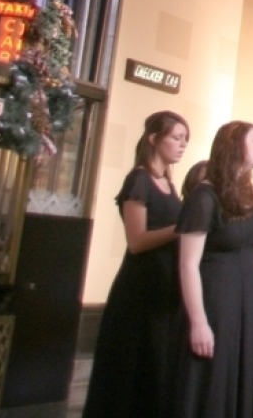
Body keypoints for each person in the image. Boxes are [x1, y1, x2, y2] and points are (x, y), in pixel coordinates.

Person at [175, 121, 253, 418]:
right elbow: (188, 264)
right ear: (234, 146)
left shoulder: (249, 200)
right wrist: (198, 322)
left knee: (240, 382)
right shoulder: (205, 196)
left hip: (247, 302)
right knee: (212, 385)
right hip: (216, 302)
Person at [86, 111, 188, 418]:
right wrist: (182, 228)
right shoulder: (139, 179)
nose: (182, 145)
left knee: (158, 366)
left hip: (165, 285)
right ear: (154, 139)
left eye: (186, 140)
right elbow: (137, 241)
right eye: (176, 137)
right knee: (134, 365)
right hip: (140, 288)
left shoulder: (169, 183)